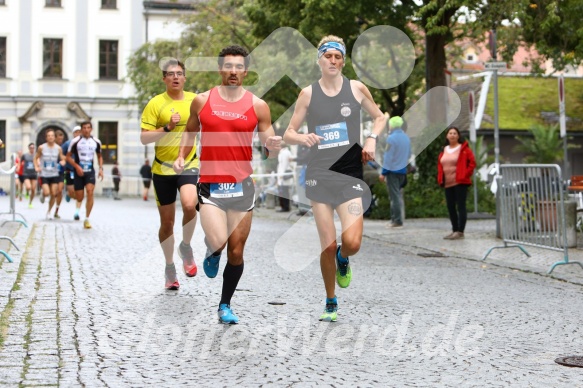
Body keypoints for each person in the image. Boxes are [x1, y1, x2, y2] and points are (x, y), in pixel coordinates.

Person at [173, 44, 281, 324]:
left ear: (246, 71)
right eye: (228, 66)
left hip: (242, 186)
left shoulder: (258, 105)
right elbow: (190, 130)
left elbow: (269, 145)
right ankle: (212, 249)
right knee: (220, 241)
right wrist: (182, 156)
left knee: (236, 251)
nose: (234, 72)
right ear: (220, 69)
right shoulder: (202, 100)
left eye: (239, 67)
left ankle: (225, 304)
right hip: (211, 185)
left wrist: (273, 146)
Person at [283, 35, 387, 322]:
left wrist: (371, 139)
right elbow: (289, 132)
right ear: (319, 59)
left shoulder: (356, 89)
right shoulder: (307, 93)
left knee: (351, 243)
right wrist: (302, 136)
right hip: (318, 176)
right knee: (327, 245)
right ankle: (331, 301)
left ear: (343, 61)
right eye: (327, 56)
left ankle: (344, 258)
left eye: (337, 57)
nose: (332, 61)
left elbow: (380, 116)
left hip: (349, 174)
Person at [140, 58, 199, 290]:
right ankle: (169, 267)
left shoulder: (196, 101)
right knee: (167, 222)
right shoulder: (155, 103)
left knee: (189, 204)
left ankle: (185, 245)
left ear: (185, 78)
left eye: (179, 73)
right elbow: (144, 138)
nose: (175, 77)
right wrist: (166, 128)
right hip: (162, 167)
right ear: (164, 78)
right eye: (171, 74)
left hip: (188, 163)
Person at [437, 126, 476, 240]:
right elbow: (440, 164)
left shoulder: (464, 149)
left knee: (461, 206)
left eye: (455, 133)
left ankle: (460, 231)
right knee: (450, 207)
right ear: (447, 136)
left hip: (460, 182)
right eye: (450, 133)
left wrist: (465, 174)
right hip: (447, 182)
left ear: (458, 136)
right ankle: (454, 229)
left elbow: (472, 163)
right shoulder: (444, 149)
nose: (452, 135)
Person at [65, 121, 104, 229]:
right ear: (81, 129)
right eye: (84, 128)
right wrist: (76, 167)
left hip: (89, 171)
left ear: (91, 129)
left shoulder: (96, 141)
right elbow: (67, 157)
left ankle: (87, 218)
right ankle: (70, 194)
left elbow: (100, 156)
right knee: (79, 197)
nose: (86, 130)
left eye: (88, 128)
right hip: (79, 172)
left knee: (90, 192)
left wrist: (101, 168)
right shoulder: (75, 141)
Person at [379, 116, 411, 228]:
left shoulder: (391, 139)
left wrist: (383, 173)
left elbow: (388, 157)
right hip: (402, 171)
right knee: (398, 195)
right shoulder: (406, 138)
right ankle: (396, 219)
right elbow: (408, 155)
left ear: (391, 125)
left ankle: (396, 220)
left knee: (394, 196)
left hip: (392, 171)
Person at [34, 129, 66, 220]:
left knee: (53, 193)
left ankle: (48, 211)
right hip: (44, 174)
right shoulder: (42, 147)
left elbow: (62, 157)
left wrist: (63, 161)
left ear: (54, 137)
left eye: (52, 135)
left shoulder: (58, 148)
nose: (51, 137)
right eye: (49, 136)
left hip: (54, 174)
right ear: (46, 137)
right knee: (47, 192)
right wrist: (36, 167)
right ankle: (43, 194)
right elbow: (36, 158)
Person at [62, 126, 81, 204]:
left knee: (80, 192)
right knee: (72, 192)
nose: (78, 133)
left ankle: (78, 212)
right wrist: (67, 159)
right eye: (76, 132)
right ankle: (69, 194)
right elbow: (61, 154)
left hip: (80, 171)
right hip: (70, 170)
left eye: (79, 132)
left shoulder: (85, 143)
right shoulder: (67, 144)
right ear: (73, 134)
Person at [53, 129, 67, 218]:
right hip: (51, 173)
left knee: (59, 191)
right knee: (53, 192)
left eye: (62, 139)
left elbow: (67, 157)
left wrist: (64, 161)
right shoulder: (51, 147)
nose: (60, 141)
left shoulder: (63, 148)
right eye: (59, 139)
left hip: (61, 172)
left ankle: (56, 210)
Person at [276, 144, 294, 212]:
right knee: (284, 192)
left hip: (284, 175)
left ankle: (285, 207)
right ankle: (285, 206)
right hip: (283, 174)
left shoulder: (284, 153)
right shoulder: (285, 152)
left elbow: (284, 164)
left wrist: (281, 175)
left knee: (284, 192)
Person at [20, 143, 38, 208]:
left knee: (33, 189)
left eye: (33, 148)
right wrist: (19, 168)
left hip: (34, 174)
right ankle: (27, 192)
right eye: (31, 148)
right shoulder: (25, 155)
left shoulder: (36, 155)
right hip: (26, 173)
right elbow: (20, 161)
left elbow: (39, 162)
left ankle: (30, 202)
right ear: (29, 148)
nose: (32, 149)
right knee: (28, 187)